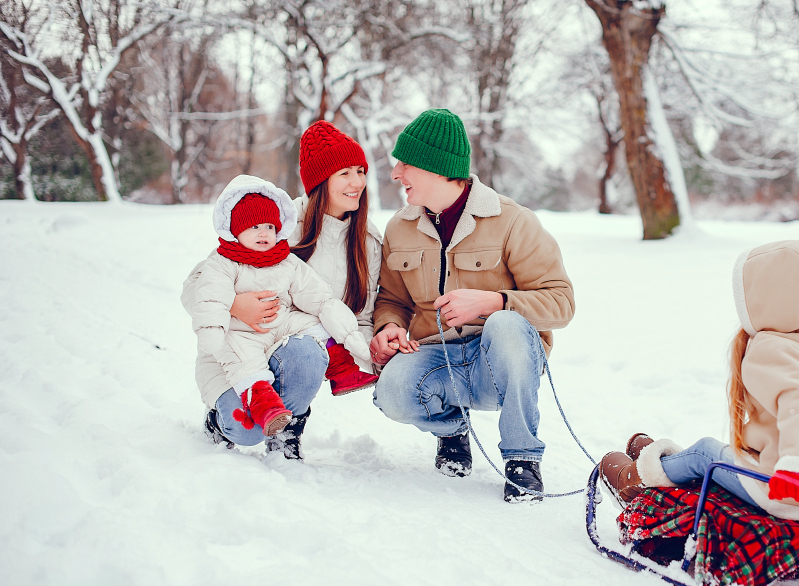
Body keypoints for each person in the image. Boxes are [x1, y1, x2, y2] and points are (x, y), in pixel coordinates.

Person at [369, 108, 575, 502]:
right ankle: (452, 432)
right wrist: (389, 326)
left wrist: (493, 302)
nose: (396, 173)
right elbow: (392, 299)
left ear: (437, 169)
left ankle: (522, 458)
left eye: (405, 163)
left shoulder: (513, 221)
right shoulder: (400, 227)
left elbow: (562, 302)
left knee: (506, 324)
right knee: (391, 391)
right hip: (438, 358)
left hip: (499, 363)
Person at [600, 240, 799, 520]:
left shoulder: (771, 348)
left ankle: (636, 481)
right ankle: (662, 463)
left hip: (783, 490)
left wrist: (796, 467)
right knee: (716, 452)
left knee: (704, 451)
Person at [182, 121, 381, 458]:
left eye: (360, 171)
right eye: (345, 172)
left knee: (308, 351)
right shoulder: (274, 224)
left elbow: (362, 315)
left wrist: (364, 355)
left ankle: (289, 424)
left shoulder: (367, 242)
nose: (358, 182)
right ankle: (220, 421)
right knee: (244, 432)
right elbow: (194, 290)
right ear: (321, 179)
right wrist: (235, 305)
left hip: (298, 348)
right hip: (237, 351)